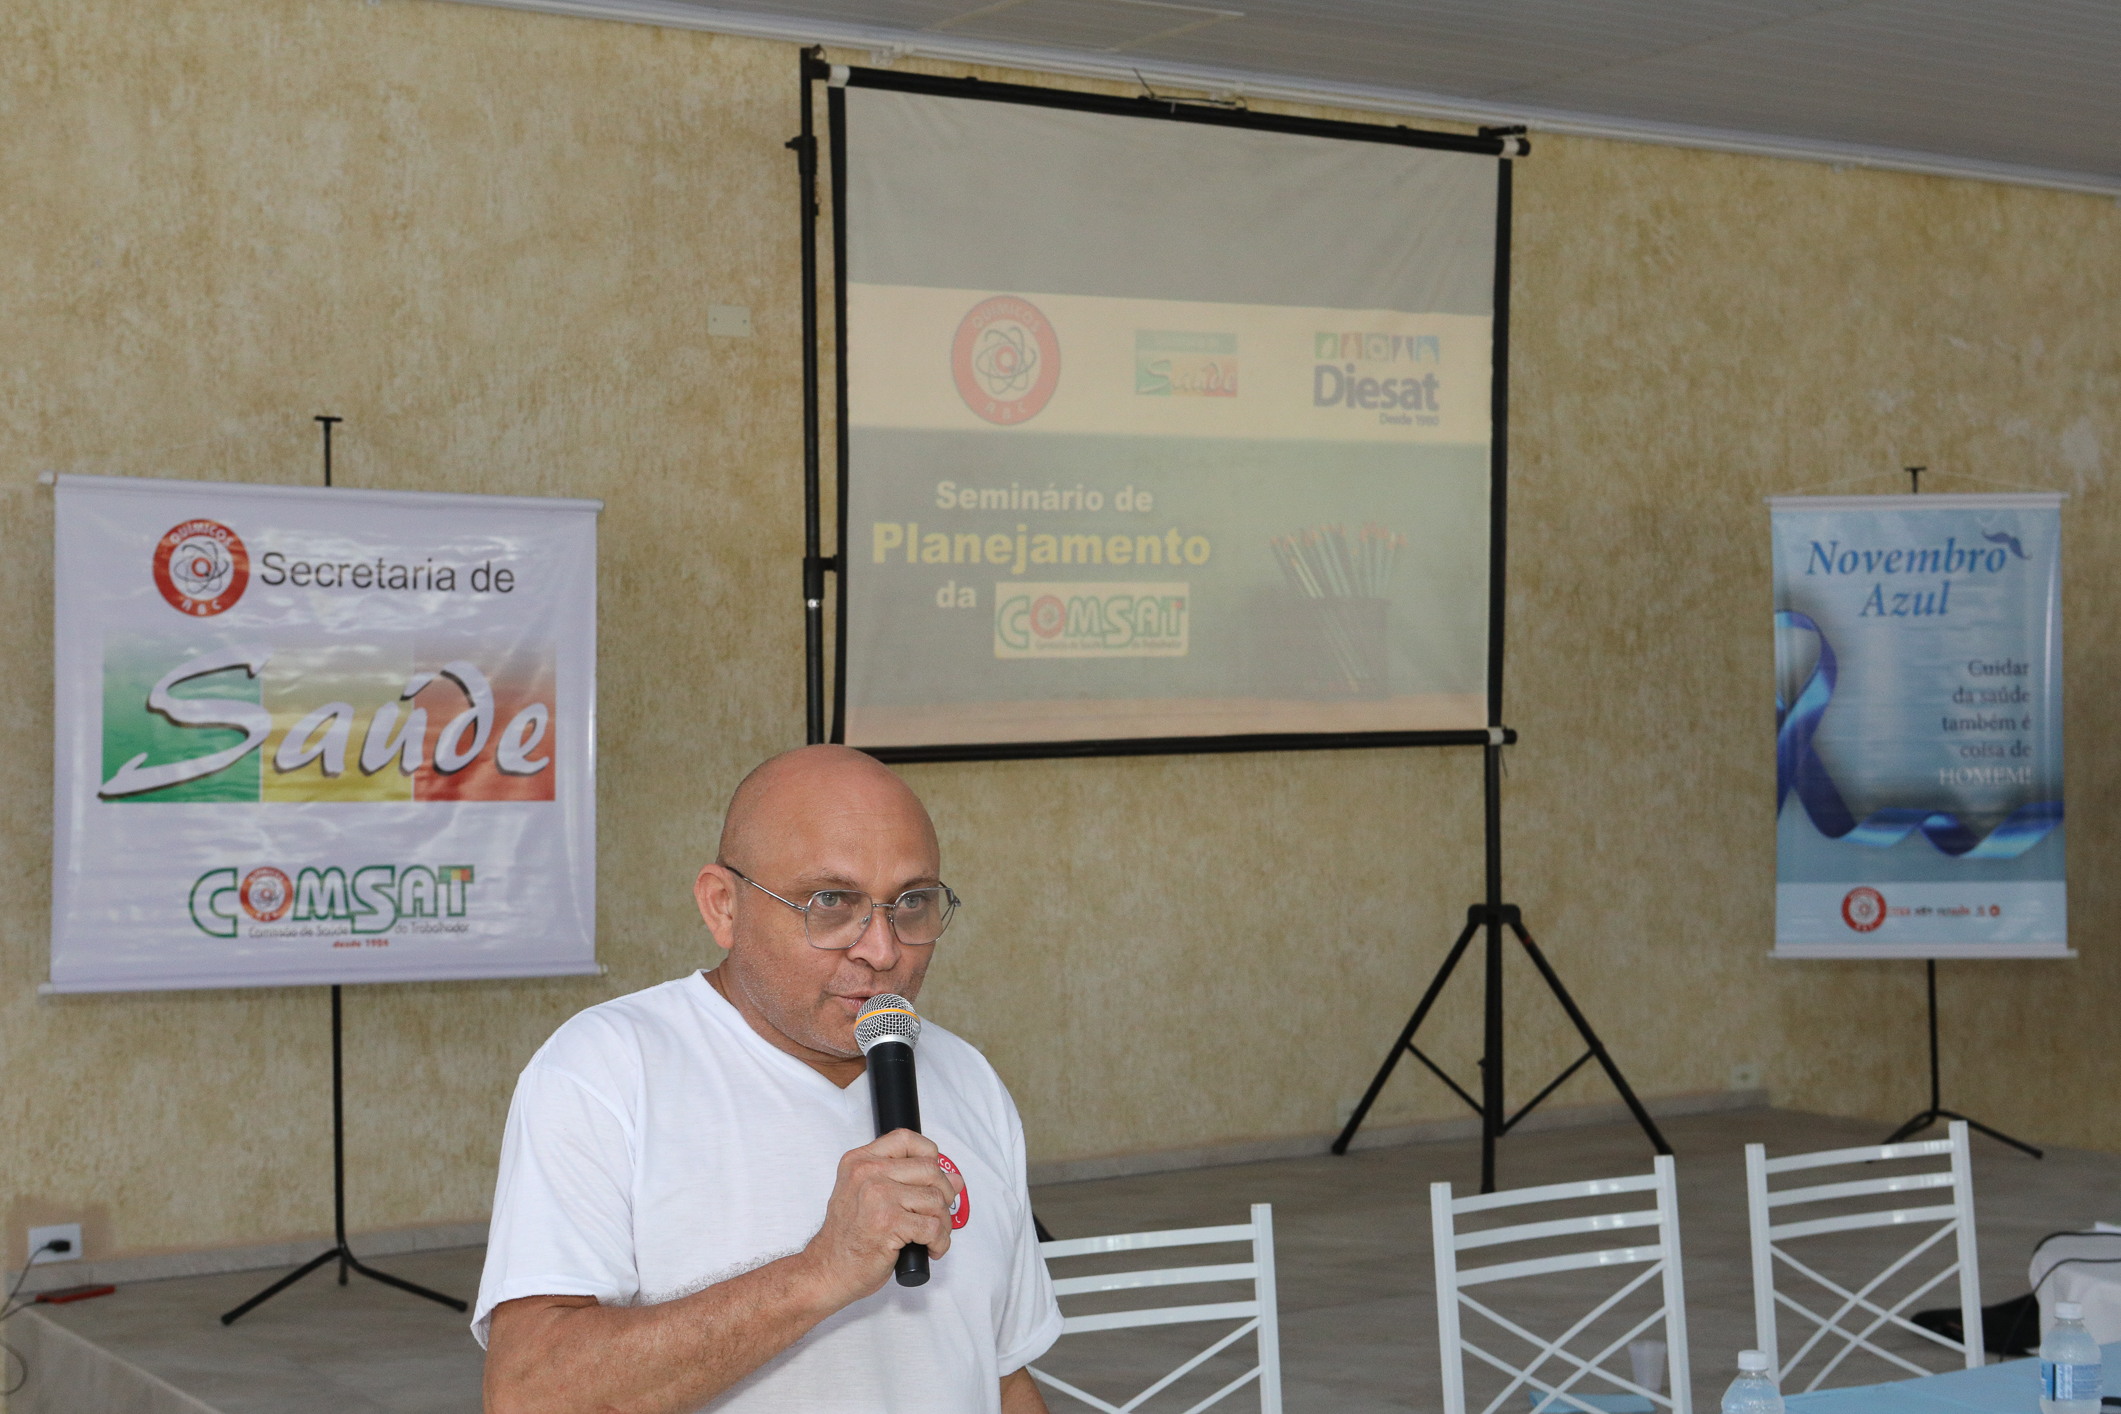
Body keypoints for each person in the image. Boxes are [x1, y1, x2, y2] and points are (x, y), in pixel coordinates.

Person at [475, 745, 1060, 1414]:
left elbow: (1001, 1375)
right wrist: (819, 1273)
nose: (882, 950)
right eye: (831, 902)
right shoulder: (605, 1070)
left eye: (911, 903)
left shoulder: (965, 1076)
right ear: (723, 906)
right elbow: (529, 1394)